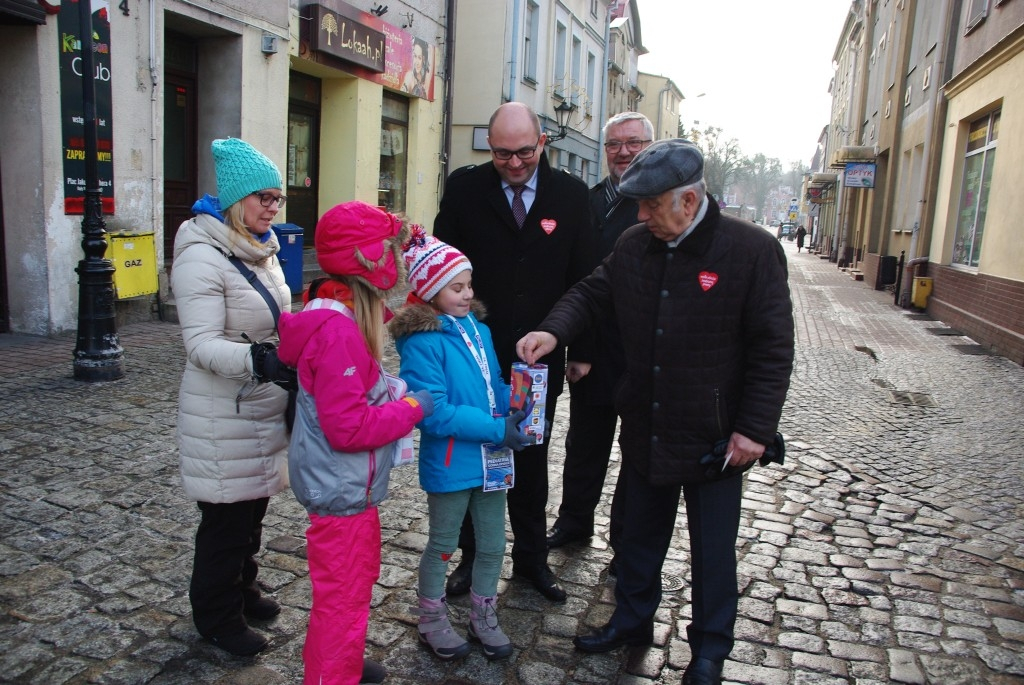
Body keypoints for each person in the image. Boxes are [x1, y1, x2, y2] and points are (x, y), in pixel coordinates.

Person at [516, 139, 794, 685]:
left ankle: (710, 650)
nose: (641, 216)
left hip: (716, 439)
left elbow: (773, 347)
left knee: (713, 552)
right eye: (636, 205)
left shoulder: (751, 251)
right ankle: (631, 621)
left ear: (688, 202)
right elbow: (592, 293)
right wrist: (552, 330)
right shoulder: (635, 244)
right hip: (646, 421)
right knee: (637, 538)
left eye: (651, 205)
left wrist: (754, 431)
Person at [433, 102, 595, 603]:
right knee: (471, 456)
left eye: (525, 151)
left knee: (530, 455)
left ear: (542, 142)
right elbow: (441, 268)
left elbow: (587, 279)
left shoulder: (570, 194)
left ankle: (530, 560)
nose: (516, 163)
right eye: (503, 154)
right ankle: (469, 558)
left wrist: (581, 347)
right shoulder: (464, 188)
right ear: (489, 145)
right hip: (473, 351)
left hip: (537, 358)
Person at [276, 201, 433, 685]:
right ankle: (331, 674)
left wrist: (395, 390)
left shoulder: (336, 315)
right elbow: (347, 428)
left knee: (352, 589)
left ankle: (343, 663)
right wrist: (411, 410)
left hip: (347, 492)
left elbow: (355, 391)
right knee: (341, 600)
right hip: (341, 491)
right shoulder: (340, 333)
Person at [171, 137, 294, 657]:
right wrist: (261, 360)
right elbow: (200, 346)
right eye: (262, 197)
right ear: (236, 199)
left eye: (276, 198)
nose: (272, 206)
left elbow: (276, 320)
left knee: (252, 512)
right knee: (225, 520)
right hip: (224, 411)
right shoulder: (202, 256)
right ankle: (216, 616)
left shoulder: (260, 250)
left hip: (260, 405)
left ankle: (243, 589)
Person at [389, 227, 534, 661]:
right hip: (452, 462)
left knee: (492, 544)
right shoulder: (422, 341)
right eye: (457, 286)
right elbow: (433, 411)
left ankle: (483, 613)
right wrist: (496, 428)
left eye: (469, 284)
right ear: (432, 290)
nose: (468, 294)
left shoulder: (478, 329)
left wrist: (520, 397)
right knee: (444, 544)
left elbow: (490, 386)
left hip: (491, 462)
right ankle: (431, 617)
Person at [546, 112, 652, 556]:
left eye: (634, 143)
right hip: (592, 348)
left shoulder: (656, 204)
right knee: (585, 444)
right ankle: (574, 522)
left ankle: (627, 541)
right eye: (614, 144)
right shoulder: (589, 201)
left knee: (637, 454)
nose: (623, 152)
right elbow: (576, 278)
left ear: (651, 145)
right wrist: (577, 346)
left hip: (641, 351)